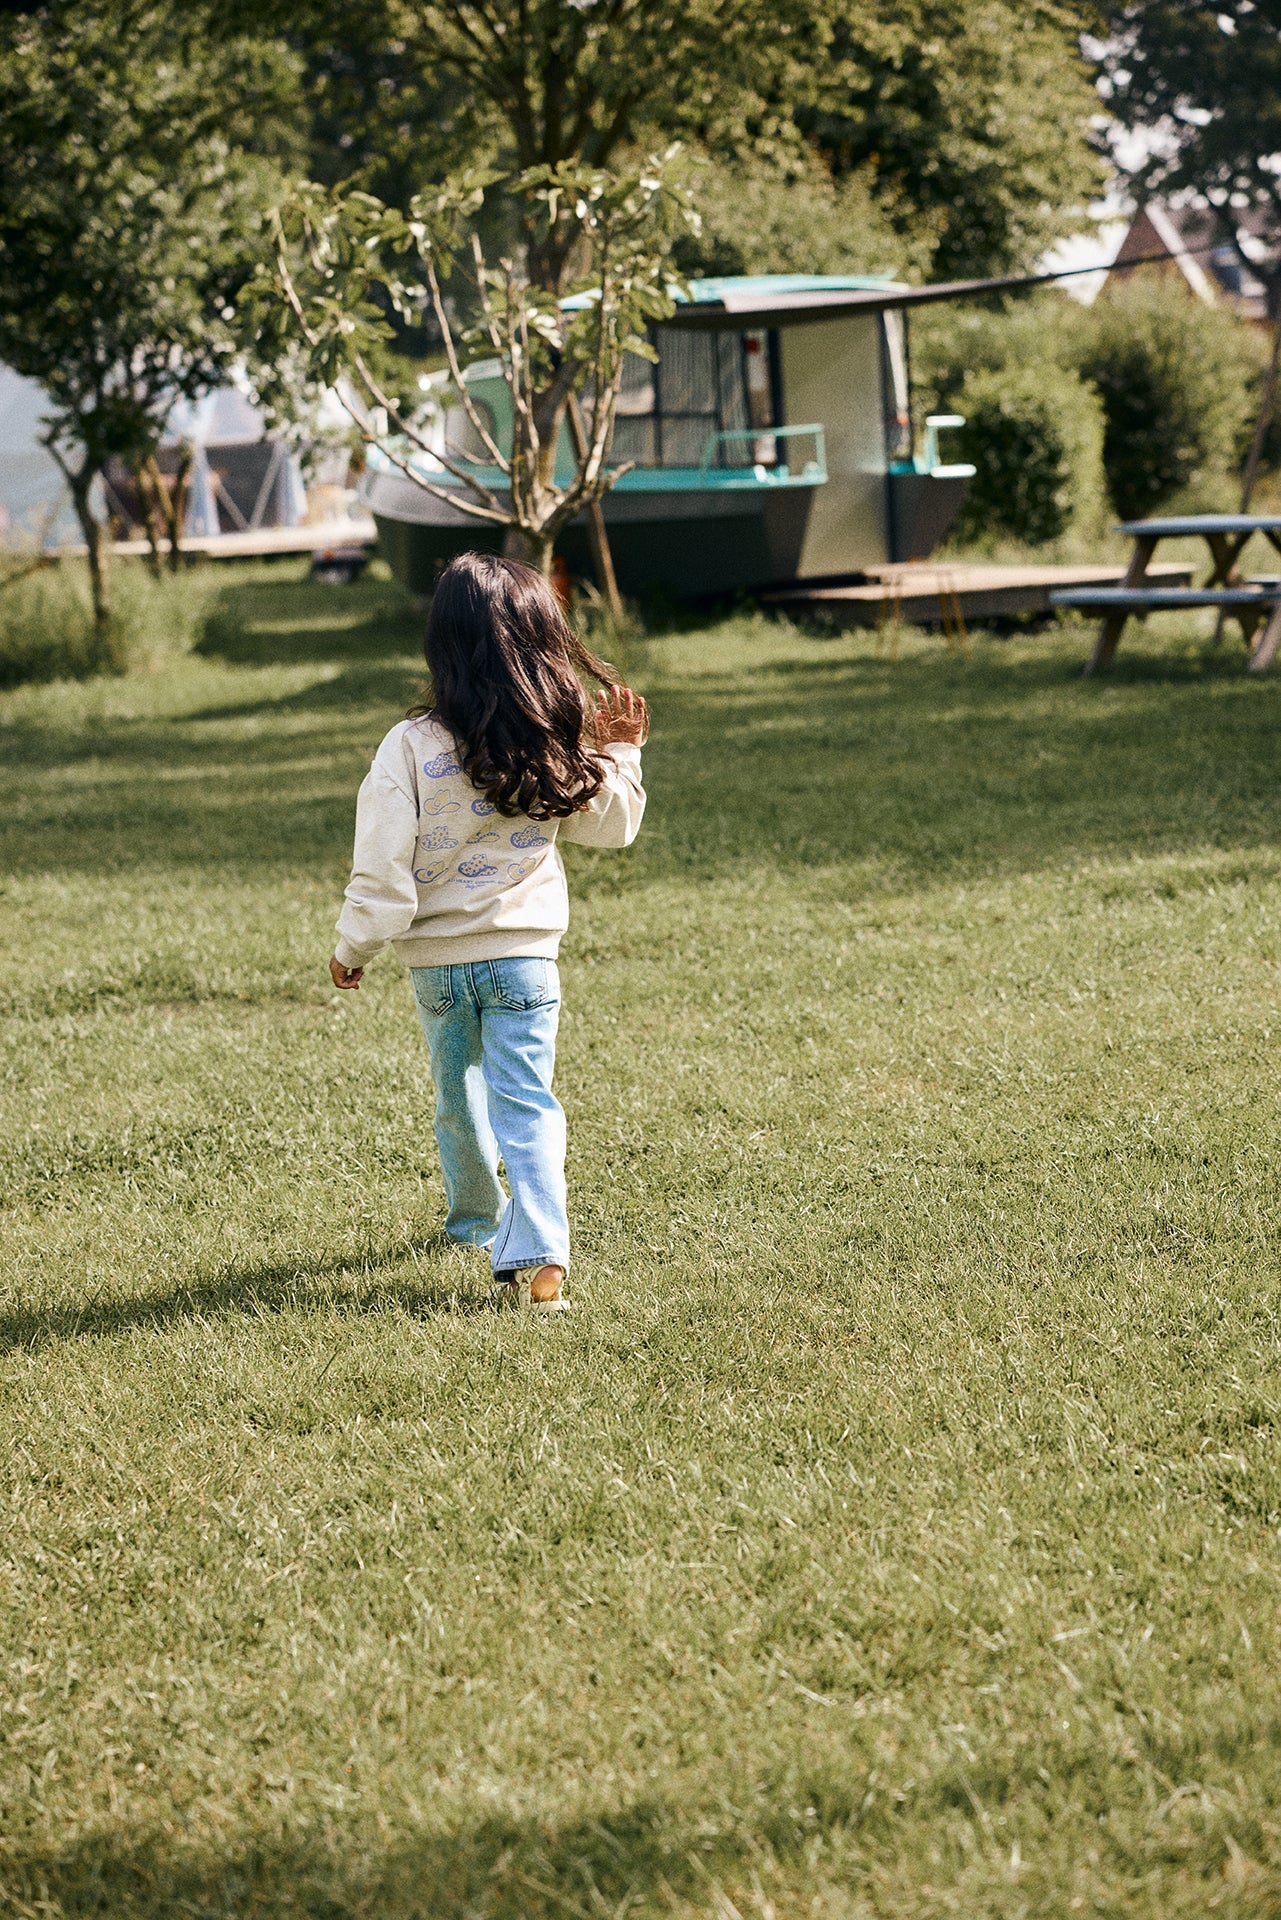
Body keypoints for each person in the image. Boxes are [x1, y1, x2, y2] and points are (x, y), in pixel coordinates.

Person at [329, 551, 648, 1310]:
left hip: (437, 967)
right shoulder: (551, 733)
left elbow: (381, 869)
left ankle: (476, 1221)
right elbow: (614, 826)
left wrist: (352, 948)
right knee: (526, 1100)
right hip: (525, 963)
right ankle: (538, 1256)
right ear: (542, 640)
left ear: (441, 643)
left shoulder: (407, 745)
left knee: (456, 1096)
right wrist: (623, 750)